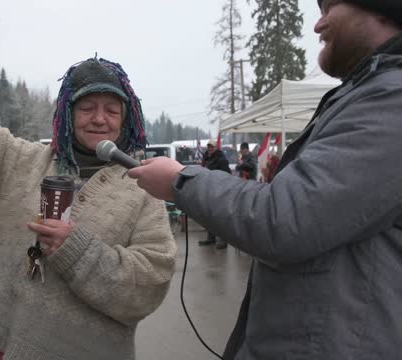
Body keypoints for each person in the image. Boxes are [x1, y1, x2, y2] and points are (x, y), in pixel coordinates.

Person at [128, 1, 402, 358]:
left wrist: (181, 181)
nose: (318, 25)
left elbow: (285, 217)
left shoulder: (390, 99)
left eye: (329, 7)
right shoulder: (369, 93)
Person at [0, 9, 176, 360]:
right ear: (67, 113)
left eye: (112, 110)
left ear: (127, 120)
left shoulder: (141, 189)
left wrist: (75, 249)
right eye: (87, 107)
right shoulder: (22, 162)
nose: (99, 118)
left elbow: (149, 282)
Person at [199, 143, 231, 249]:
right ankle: (211, 238)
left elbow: (227, 175)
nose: (209, 149)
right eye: (208, 147)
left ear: (216, 148)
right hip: (208, 189)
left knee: (219, 215)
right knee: (209, 214)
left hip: (219, 189)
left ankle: (222, 240)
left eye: (212, 147)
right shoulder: (206, 158)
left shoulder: (222, 159)